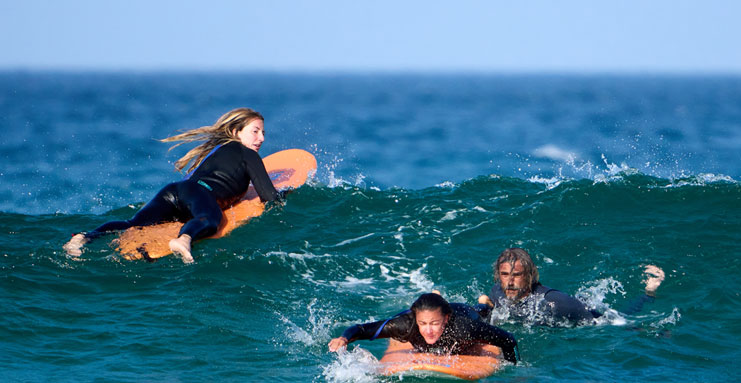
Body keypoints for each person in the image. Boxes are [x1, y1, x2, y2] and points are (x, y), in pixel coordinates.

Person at [63, 107, 283, 263]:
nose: (261, 138)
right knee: (209, 219)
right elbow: (269, 197)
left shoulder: (217, 151)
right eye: (255, 131)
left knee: (133, 223)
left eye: (263, 132)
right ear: (236, 132)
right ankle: (184, 239)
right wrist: (287, 198)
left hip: (176, 190)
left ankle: (84, 237)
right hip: (200, 194)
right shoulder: (248, 155)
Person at [478, 247, 665, 326]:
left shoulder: (553, 302)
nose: (509, 282)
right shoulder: (497, 291)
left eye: (516, 275)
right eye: (504, 275)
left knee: (620, 316)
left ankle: (648, 293)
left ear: (530, 276)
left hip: (590, 318)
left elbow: (604, 324)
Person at [328, 292, 519, 364]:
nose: (428, 331)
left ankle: (485, 302)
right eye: (423, 324)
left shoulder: (464, 328)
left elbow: (509, 339)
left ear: (445, 320)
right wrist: (344, 339)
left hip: (463, 312)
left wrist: (511, 367)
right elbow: (362, 329)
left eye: (435, 324)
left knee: (480, 312)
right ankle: (434, 298)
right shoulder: (406, 325)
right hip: (430, 310)